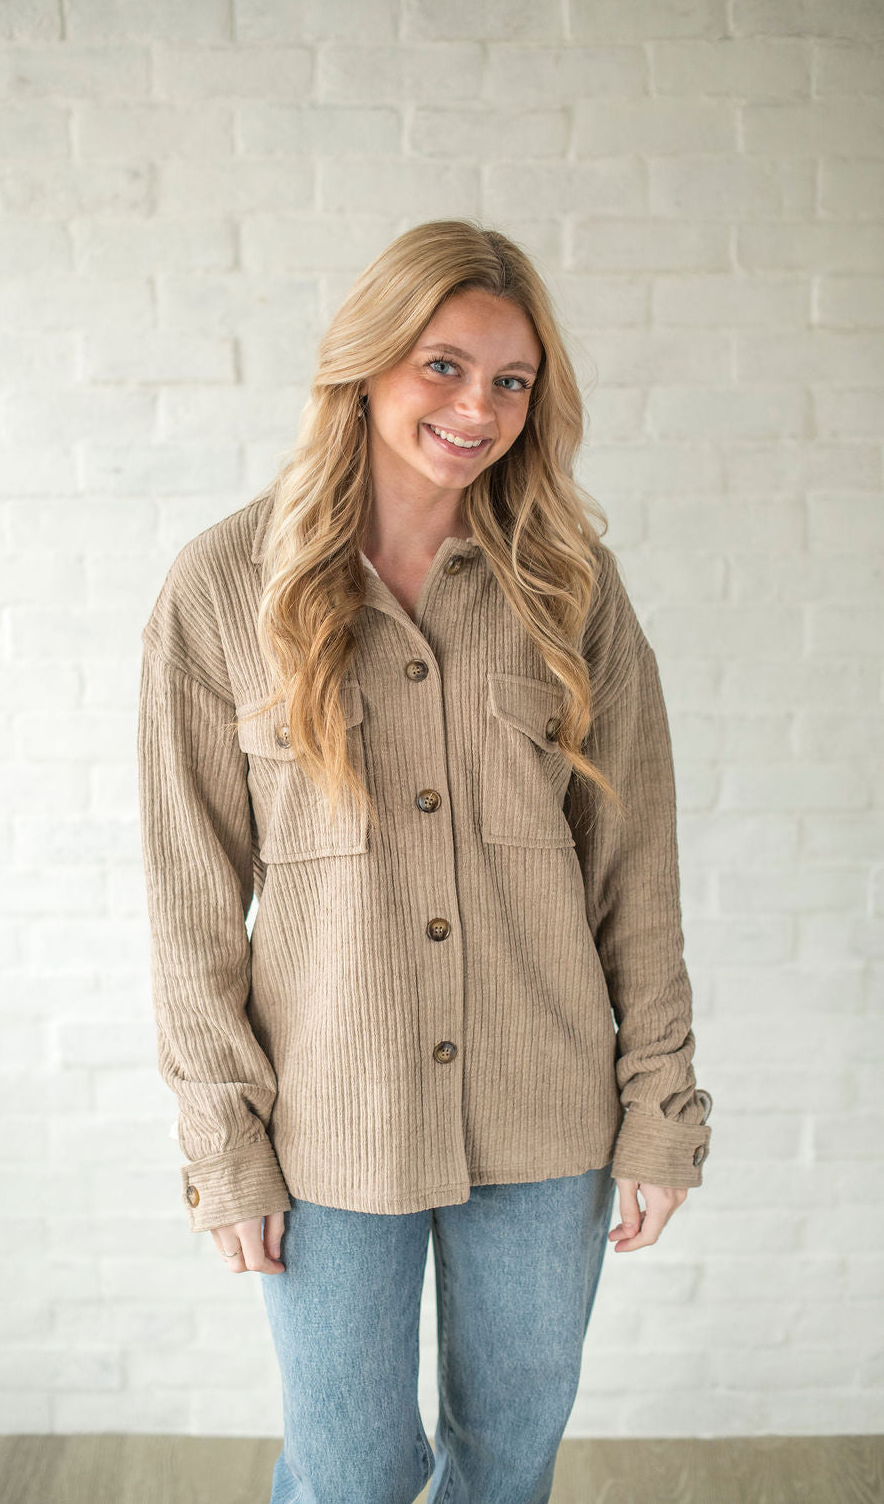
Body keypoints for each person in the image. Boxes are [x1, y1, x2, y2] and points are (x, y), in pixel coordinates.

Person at [136, 218, 713, 1504]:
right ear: (364, 366)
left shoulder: (569, 586)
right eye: (442, 366)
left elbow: (636, 872)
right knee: (349, 1471)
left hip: (547, 1110)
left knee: (507, 1465)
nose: (477, 409)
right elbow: (190, 900)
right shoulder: (225, 587)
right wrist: (223, 1142)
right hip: (328, 1123)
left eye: (511, 380)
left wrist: (659, 1107)